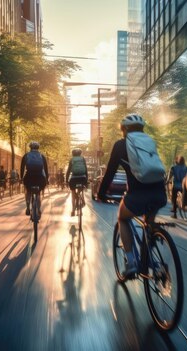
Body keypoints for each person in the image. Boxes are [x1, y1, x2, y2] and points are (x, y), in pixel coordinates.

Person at [97, 114, 167, 277]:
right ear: (142, 129)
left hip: (137, 195)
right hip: (159, 193)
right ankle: (148, 260)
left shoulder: (121, 145)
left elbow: (110, 171)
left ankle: (132, 262)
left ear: (124, 130)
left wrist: (101, 193)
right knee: (148, 225)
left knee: (122, 217)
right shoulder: (150, 142)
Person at [20, 141, 49, 216]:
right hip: (40, 177)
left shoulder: (26, 155)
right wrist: (47, 179)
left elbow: (22, 168)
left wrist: (21, 178)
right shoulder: (42, 156)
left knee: (28, 191)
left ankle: (27, 208)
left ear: (30, 147)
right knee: (38, 193)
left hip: (29, 176)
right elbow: (46, 169)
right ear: (38, 148)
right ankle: (38, 209)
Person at [66, 148, 89, 216]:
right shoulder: (83, 159)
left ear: (73, 154)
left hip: (74, 179)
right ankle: (80, 197)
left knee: (73, 193)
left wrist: (66, 180)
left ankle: (73, 210)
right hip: (83, 178)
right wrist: (86, 180)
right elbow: (86, 170)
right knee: (81, 189)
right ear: (80, 153)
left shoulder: (72, 160)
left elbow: (68, 171)